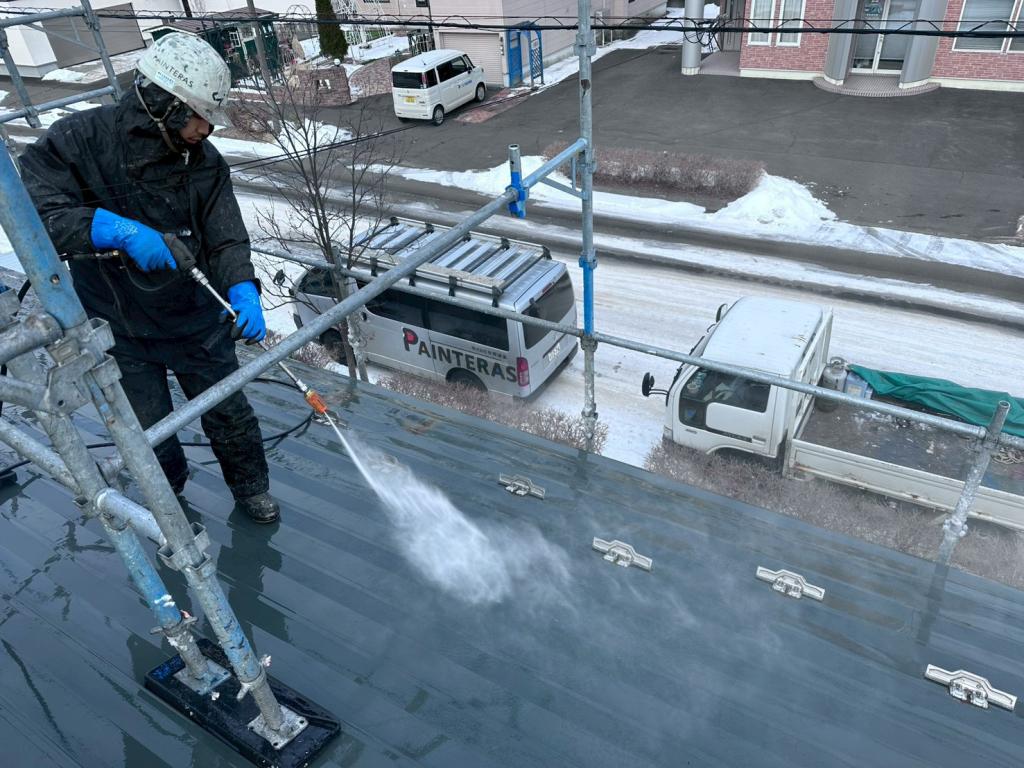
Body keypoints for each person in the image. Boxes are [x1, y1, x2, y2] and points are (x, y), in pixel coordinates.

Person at [19, 33, 280, 523]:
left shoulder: (205, 163)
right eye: (201, 116)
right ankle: (170, 503)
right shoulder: (79, 141)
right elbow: (31, 210)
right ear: (167, 105)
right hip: (120, 326)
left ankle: (250, 489)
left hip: (196, 317)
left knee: (230, 412)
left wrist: (242, 288)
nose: (208, 129)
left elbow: (225, 238)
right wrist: (111, 228)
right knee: (148, 426)